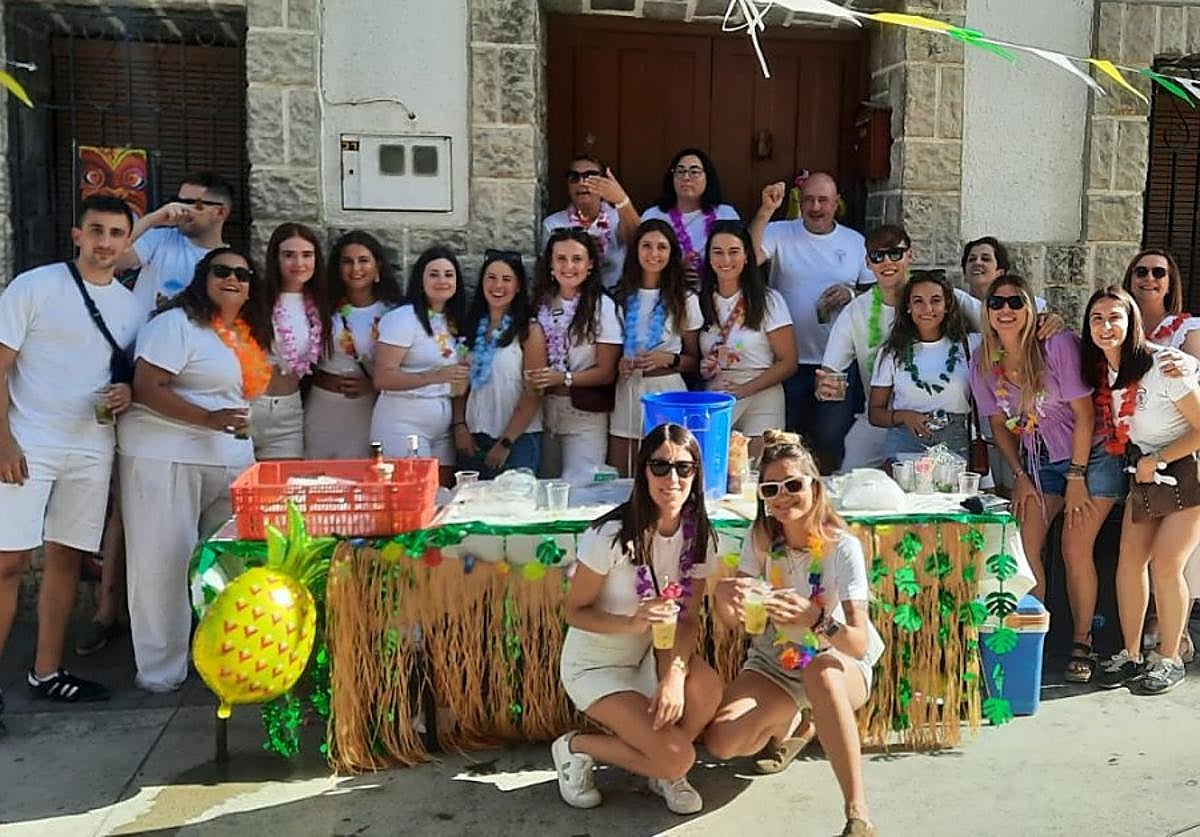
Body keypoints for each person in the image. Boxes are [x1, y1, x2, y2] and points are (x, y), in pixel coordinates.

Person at [0, 196, 146, 725]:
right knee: (8, 563)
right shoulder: (34, 287)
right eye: (97, 230)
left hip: (90, 445)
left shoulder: (132, 309)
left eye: (115, 233)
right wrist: (3, 442)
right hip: (28, 441)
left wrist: (126, 394)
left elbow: (126, 377)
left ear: (128, 242)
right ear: (76, 234)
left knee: (67, 557)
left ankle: (46, 671)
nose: (105, 242)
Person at [705, 430, 884, 837]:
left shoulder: (843, 548)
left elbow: (857, 642)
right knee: (723, 743)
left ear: (814, 487)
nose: (782, 496)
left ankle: (857, 813)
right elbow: (737, 622)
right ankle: (800, 721)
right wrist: (725, 598)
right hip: (775, 662)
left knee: (820, 672)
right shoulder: (762, 541)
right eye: (771, 488)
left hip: (837, 662)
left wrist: (815, 618)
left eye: (793, 484)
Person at [118, 247, 270, 692]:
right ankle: (161, 673)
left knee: (228, 564)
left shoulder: (242, 334)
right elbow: (147, 387)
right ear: (202, 278)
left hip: (229, 460)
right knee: (163, 564)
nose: (234, 279)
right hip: (167, 457)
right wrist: (207, 420)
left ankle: (223, 660)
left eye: (243, 274)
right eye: (222, 271)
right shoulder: (175, 325)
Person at [552, 423, 721, 814]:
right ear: (643, 470)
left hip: (649, 654)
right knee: (679, 757)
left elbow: (688, 619)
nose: (672, 478)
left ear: (696, 473)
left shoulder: (699, 537)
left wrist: (672, 679)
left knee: (705, 687)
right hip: (596, 664)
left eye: (684, 467)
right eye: (659, 466)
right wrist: (631, 623)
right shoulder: (609, 534)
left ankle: (661, 768)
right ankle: (576, 747)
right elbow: (574, 611)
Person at [969, 275, 1126, 678]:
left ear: (1029, 307)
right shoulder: (983, 359)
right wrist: (1019, 473)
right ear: (987, 311)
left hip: (1092, 454)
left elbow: (1085, 415)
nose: (1006, 310)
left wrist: (1077, 476)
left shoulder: (1055, 345)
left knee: (1075, 546)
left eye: (1015, 302)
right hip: (1038, 459)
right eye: (997, 302)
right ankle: (1032, 638)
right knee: (1024, 543)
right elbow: (998, 425)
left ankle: (1081, 642)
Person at [1085, 287, 1200, 695]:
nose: (1105, 326)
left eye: (1115, 317)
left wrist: (1162, 458)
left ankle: (1169, 658)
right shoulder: (1104, 372)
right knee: (1129, 562)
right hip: (1144, 471)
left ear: (1132, 321)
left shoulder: (1165, 364)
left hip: (1186, 471)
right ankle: (1130, 654)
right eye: (1097, 318)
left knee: (1167, 564)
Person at [822, 225, 982, 472]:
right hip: (880, 420)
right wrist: (826, 386)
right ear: (868, 262)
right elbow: (830, 371)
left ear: (910, 255)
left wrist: (1047, 322)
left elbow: (1001, 320)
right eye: (878, 255)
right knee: (851, 479)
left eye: (895, 253)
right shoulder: (856, 311)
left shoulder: (947, 297)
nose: (887, 261)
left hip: (952, 427)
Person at [749, 175, 875, 472]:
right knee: (787, 443)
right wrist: (766, 211)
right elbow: (748, 258)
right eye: (809, 200)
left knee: (832, 441)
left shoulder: (855, 241)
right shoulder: (780, 231)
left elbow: (875, 293)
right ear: (800, 201)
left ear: (836, 203)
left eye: (823, 201)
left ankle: (827, 507)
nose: (815, 207)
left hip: (837, 364)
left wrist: (851, 293)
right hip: (787, 363)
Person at [1122, 248, 1200, 663]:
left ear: (1171, 283)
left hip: (1184, 451)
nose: (1148, 279)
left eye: (1158, 273)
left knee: (1174, 558)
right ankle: (1136, 645)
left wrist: (1179, 361)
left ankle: (1174, 639)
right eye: (1141, 272)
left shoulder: (1187, 330)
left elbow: (1195, 384)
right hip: (1140, 454)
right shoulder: (1115, 328)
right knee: (1138, 556)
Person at [527, 228, 621, 484]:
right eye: (561, 259)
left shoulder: (602, 306)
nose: (569, 266)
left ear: (590, 264)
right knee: (544, 489)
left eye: (577, 259)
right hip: (544, 412)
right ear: (550, 264)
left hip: (584, 415)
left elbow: (606, 372)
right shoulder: (540, 302)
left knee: (581, 490)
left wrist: (562, 378)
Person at [609, 220, 703, 476]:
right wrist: (619, 363)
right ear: (636, 251)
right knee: (624, 472)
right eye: (646, 246)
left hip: (667, 391)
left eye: (661, 247)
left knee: (667, 466)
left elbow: (695, 361)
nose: (653, 254)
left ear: (672, 253)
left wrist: (668, 359)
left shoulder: (685, 299)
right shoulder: (618, 297)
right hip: (627, 390)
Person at [698, 221, 796, 459]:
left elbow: (788, 362)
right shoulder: (699, 299)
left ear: (746, 257)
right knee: (713, 468)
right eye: (718, 252)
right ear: (709, 257)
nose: (726, 260)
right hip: (718, 394)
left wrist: (745, 389)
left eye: (734, 252)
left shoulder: (769, 301)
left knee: (756, 473)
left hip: (761, 391)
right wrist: (705, 368)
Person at [373, 246, 468, 485]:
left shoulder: (454, 320)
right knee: (413, 494)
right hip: (403, 421)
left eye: (449, 274)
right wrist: (435, 376)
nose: (442, 280)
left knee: (442, 493)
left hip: (442, 423)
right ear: (420, 280)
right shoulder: (403, 318)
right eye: (433, 274)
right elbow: (383, 377)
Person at [304, 231, 403, 460]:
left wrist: (374, 384)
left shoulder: (393, 313)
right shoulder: (322, 307)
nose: (355, 268)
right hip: (324, 409)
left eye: (363, 260)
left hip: (368, 410)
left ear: (377, 266)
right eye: (347, 262)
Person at [452, 249, 546, 478]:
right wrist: (459, 426)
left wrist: (506, 442)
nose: (497, 286)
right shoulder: (470, 327)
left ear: (518, 286)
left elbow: (534, 392)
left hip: (517, 439)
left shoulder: (529, 331)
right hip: (474, 437)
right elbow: (459, 382)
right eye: (491, 278)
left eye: (506, 279)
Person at [868, 269, 979, 463]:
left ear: (947, 306)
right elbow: (875, 413)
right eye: (918, 301)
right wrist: (904, 416)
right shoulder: (892, 352)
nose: (927, 308)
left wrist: (1048, 320)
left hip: (955, 441)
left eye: (936, 300)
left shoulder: (970, 345)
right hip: (905, 442)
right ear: (908, 307)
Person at [256, 223, 331, 460]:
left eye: (307, 255)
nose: (299, 264)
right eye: (289, 255)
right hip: (251, 404)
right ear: (275, 259)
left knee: (283, 490)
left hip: (290, 410)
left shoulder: (321, 305)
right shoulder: (255, 299)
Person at [121, 171, 233, 309]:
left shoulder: (230, 264)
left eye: (192, 203)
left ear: (220, 212)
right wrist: (152, 219)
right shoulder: (160, 238)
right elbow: (116, 258)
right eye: (178, 201)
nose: (182, 209)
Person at [640, 148, 740, 284]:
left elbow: (739, 257)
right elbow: (640, 259)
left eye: (694, 172)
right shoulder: (654, 214)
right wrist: (675, 269)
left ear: (708, 177)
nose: (686, 177)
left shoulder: (725, 214)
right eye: (680, 171)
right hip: (668, 291)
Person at [541, 155, 639, 289]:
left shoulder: (618, 217)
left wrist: (621, 199)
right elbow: (548, 270)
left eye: (590, 176)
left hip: (616, 295)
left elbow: (638, 241)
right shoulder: (553, 224)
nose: (582, 182)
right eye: (574, 177)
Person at [962, 236, 1047, 312]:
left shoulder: (1026, 304)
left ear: (1000, 273)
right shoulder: (956, 304)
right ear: (965, 274)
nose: (977, 262)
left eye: (985, 259)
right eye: (972, 259)